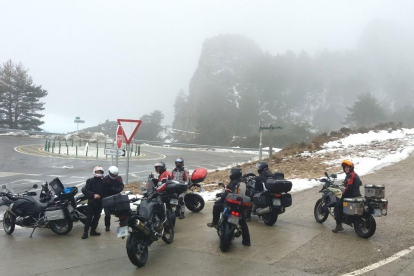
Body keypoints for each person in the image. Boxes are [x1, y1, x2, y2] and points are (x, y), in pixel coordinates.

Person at [207, 167, 250, 246]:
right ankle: (247, 241)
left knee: (216, 205)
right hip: (240, 206)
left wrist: (220, 199)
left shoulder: (232, 183)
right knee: (243, 223)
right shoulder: (243, 183)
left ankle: (215, 222)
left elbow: (226, 195)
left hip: (231, 205)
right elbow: (247, 194)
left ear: (233, 174)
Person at [332, 160, 362, 233]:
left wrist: (342, 195)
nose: (346, 169)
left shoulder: (350, 175)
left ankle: (338, 226)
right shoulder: (355, 174)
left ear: (351, 168)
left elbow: (349, 188)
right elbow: (359, 183)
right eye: (345, 167)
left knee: (337, 205)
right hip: (357, 195)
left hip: (351, 195)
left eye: (348, 167)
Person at [81, 166, 105, 239]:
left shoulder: (103, 181)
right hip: (92, 202)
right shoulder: (90, 181)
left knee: (97, 217)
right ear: (95, 172)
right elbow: (85, 190)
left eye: (100, 172)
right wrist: (93, 195)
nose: (99, 173)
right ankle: (85, 232)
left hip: (100, 203)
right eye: (98, 172)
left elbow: (105, 192)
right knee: (89, 217)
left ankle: (93, 231)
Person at [103, 166, 124, 231]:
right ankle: (107, 226)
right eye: (112, 174)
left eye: (115, 174)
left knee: (121, 212)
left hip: (116, 197)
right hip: (107, 197)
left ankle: (122, 225)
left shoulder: (119, 178)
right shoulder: (106, 179)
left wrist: (119, 189)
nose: (114, 175)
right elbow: (103, 188)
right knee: (107, 214)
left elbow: (121, 185)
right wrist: (111, 189)